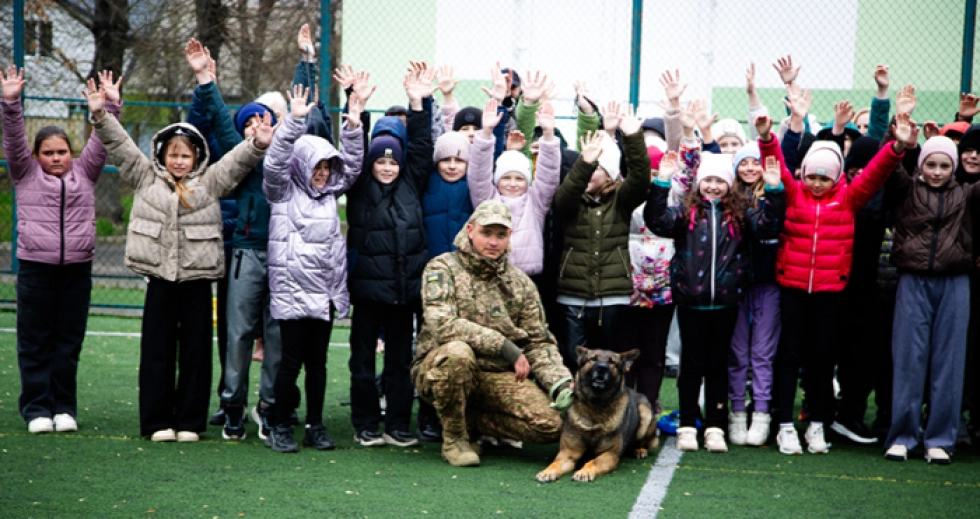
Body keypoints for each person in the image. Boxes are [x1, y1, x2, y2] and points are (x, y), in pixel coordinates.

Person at [89, 69, 272, 442]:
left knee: (196, 352)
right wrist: (101, 115)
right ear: (161, 154)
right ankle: (157, 422)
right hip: (158, 278)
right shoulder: (145, 176)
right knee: (156, 351)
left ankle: (190, 422)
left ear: (197, 156)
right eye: (172, 154)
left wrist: (256, 145)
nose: (178, 161)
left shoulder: (210, 181)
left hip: (196, 279)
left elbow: (237, 162)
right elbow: (122, 146)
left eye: (185, 155)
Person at [758, 87, 908, 456]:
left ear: (837, 176)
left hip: (828, 293)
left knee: (823, 360)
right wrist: (766, 138)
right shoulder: (794, 194)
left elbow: (875, 172)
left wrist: (896, 147)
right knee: (789, 357)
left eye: (825, 177)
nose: (818, 183)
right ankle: (785, 425)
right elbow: (776, 161)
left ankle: (818, 424)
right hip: (793, 289)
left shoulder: (849, 198)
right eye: (812, 176)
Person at [3, 67, 120, 434]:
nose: (56, 158)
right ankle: (37, 408)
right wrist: (10, 102)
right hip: (36, 270)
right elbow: (13, 141)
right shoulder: (25, 174)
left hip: (76, 272)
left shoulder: (85, 173)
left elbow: (103, 141)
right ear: (36, 156)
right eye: (48, 152)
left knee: (68, 343)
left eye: (62, 151)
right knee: (35, 342)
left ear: (72, 153)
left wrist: (110, 108)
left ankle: (64, 407)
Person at [412, 200, 574, 467]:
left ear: (509, 236)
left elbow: (538, 342)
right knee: (458, 354)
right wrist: (504, 346)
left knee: (553, 426)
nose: (493, 242)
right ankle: (454, 439)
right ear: (470, 230)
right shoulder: (442, 268)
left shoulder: (520, 282)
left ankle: (472, 423)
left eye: (500, 235)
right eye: (486, 233)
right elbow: (443, 324)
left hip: (495, 376)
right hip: (441, 368)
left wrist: (560, 383)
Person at [184, 39, 290, 440]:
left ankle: (269, 405)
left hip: (281, 257)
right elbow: (219, 121)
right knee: (239, 333)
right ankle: (233, 405)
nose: (256, 128)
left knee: (276, 336)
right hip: (246, 253)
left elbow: (304, 118)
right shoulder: (238, 156)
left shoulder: (286, 160)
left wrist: (307, 63)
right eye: (248, 123)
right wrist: (205, 80)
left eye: (263, 121)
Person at [646, 149, 785, 453]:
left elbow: (769, 227)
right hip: (691, 302)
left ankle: (716, 426)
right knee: (691, 364)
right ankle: (687, 424)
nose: (713, 186)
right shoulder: (686, 212)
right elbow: (657, 221)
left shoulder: (740, 213)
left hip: (725, 302)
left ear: (729, 184)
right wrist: (662, 183)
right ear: (698, 183)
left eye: (719, 181)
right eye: (707, 180)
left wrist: (774, 190)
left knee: (718, 365)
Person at [262, 85, 364, 453]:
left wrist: (353, 127)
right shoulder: (282, 192)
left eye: (326, 167)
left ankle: (315, 425)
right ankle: (278, 424)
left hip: (321, 295)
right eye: (316, 167)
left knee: (318, 365)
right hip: (291, 293)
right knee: (289, 363)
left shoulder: (330, 196)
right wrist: (294, 121)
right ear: (303, 166)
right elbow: (274, 162)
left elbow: (351, 168)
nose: (322, 174)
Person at [345, 66, 433, 448]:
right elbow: (354, 148)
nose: (386, 166)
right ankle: (365, 423)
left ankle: (398, 424)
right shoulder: (360, 182)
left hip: (404, 290)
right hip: (367, 291)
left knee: (400, 362)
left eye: (392, 161)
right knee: (362, 362)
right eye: (381, 161)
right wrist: (358, 107)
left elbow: (420, 146)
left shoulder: (413, 180)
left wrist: (417, 103)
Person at [552, 104, 651, 371]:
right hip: (572, 297)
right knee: (575, 363)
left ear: (608, 173)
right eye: (585, 168)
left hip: (611, 297)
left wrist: (632, 137)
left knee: (607, 365)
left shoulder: (621, 198)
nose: (587, 174)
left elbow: (641, 179)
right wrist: (584, 164)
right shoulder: (572, 198)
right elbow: (563, 200)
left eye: (595, 169)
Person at [467, 95, 561, 278]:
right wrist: (486, 132)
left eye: (519, 179)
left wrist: (548, 135)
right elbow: (478, 172)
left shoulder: (536, 201)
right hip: (491, 274)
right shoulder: (487, 198)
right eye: (506, 178)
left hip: (528, 278)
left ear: (528, 181)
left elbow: (548, 174)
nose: (512, 184)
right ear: (497, 180)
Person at [727, 142, 783, 447]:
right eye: (743, 162)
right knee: (737, 353)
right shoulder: (727, 196)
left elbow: (770, 225)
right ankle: (737, 412)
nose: (749, 168)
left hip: (767, 283)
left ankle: (761, 414)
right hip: (736, 284)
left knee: (762, 353)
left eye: (755, 162)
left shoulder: (774, 193)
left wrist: (773, 192)